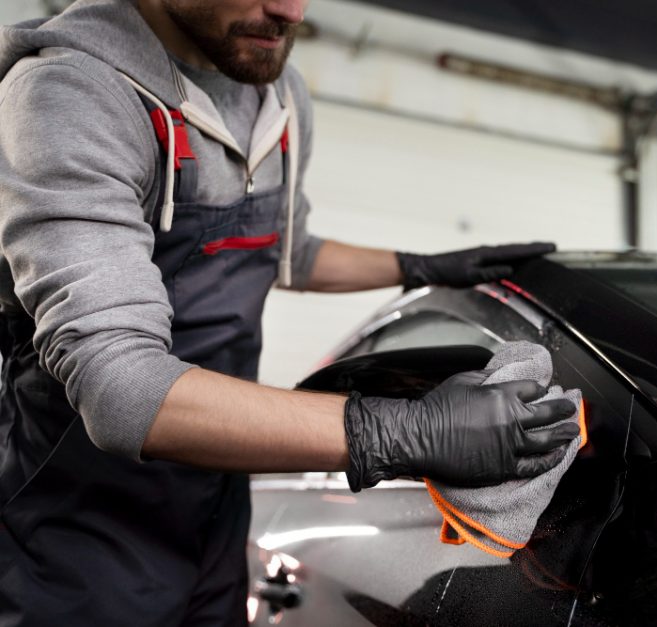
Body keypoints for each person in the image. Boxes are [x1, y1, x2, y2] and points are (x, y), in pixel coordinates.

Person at [0, 0, 578, 624]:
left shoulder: (274, 91)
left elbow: (286, 252)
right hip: (80, 524)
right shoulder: (70, 95)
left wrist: (418, 266)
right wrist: (398, 434)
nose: (291, 10)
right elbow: (123, 391)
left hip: (216, 496)